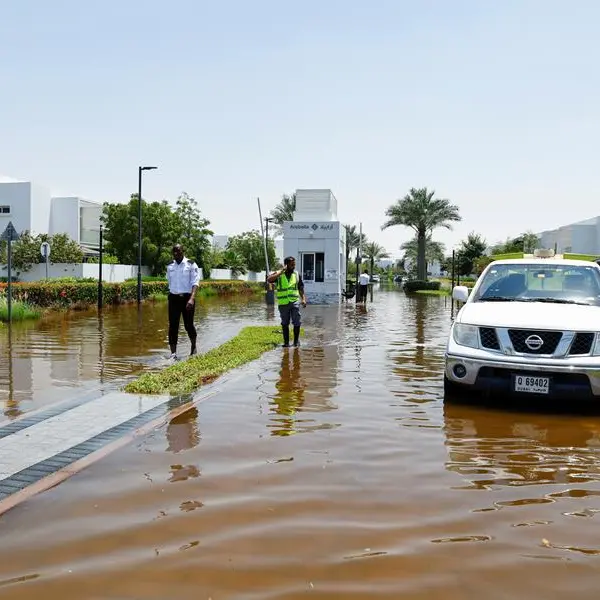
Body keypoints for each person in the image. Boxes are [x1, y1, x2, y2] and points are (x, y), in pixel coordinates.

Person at [166, 243, 200, 359]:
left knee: (188, 325)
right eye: (174, 251)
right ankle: (173, 354)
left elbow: (195, 283)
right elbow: (169, 282)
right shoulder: (170, 265)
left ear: (182, 252)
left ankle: (193, 346)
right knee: (173, 326)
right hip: (173, 298)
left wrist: (192, 299)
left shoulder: (191, 264)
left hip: (187, 299)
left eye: (178, 251)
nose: (176, 253)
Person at [267, 256, 307, 347]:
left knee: (297, 321)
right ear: (286, 265)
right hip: (283, 303)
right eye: (292, 264)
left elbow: (300, 288)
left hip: (294, 301)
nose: (293, 266)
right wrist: (281, 271)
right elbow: (269, 280)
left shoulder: (296, 274)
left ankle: (296, 342)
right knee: (285, 323)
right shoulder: (278, 274)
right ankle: (286, 343)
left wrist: (303, 299)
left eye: (294, 264)